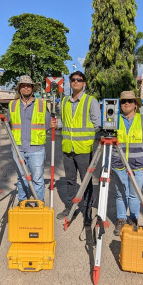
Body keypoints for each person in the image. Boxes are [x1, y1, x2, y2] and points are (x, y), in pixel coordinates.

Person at [53, 71, 101, 226]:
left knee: (86, 181)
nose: (76, 82)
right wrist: (57, 125)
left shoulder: (90, 101)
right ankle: (70, 208)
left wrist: (84, 137)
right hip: (68, 147)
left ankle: (87, 210)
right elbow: (64, 122)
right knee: (70, 180)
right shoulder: (65, 101)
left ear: (84, 83)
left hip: (83, 149)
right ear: (69, 82)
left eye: (79, 80)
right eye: (73, 80)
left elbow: (96, 124)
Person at [110, 90, 143, 236]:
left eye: (130, 101)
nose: (127, 104)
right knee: (120, 194)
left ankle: (133, 219)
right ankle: (121, 219)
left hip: (138, 167)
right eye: (124, 101)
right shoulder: (114, 120)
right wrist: (107, 165)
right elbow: (108, 145)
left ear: (135, 104)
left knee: (134, 195)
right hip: (118, 165)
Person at [7, 75, 51, 203]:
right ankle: (23, 202)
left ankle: (39, 203)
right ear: (19, 89)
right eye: (23, 86)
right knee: (21, 178)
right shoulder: (12, 105)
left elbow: (47, 125)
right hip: (18, 148)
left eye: (28, 86)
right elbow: (9, 124)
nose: (26, 88)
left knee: (37, 178)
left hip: (36, 148)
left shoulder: (41, 104)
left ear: (32, 88)